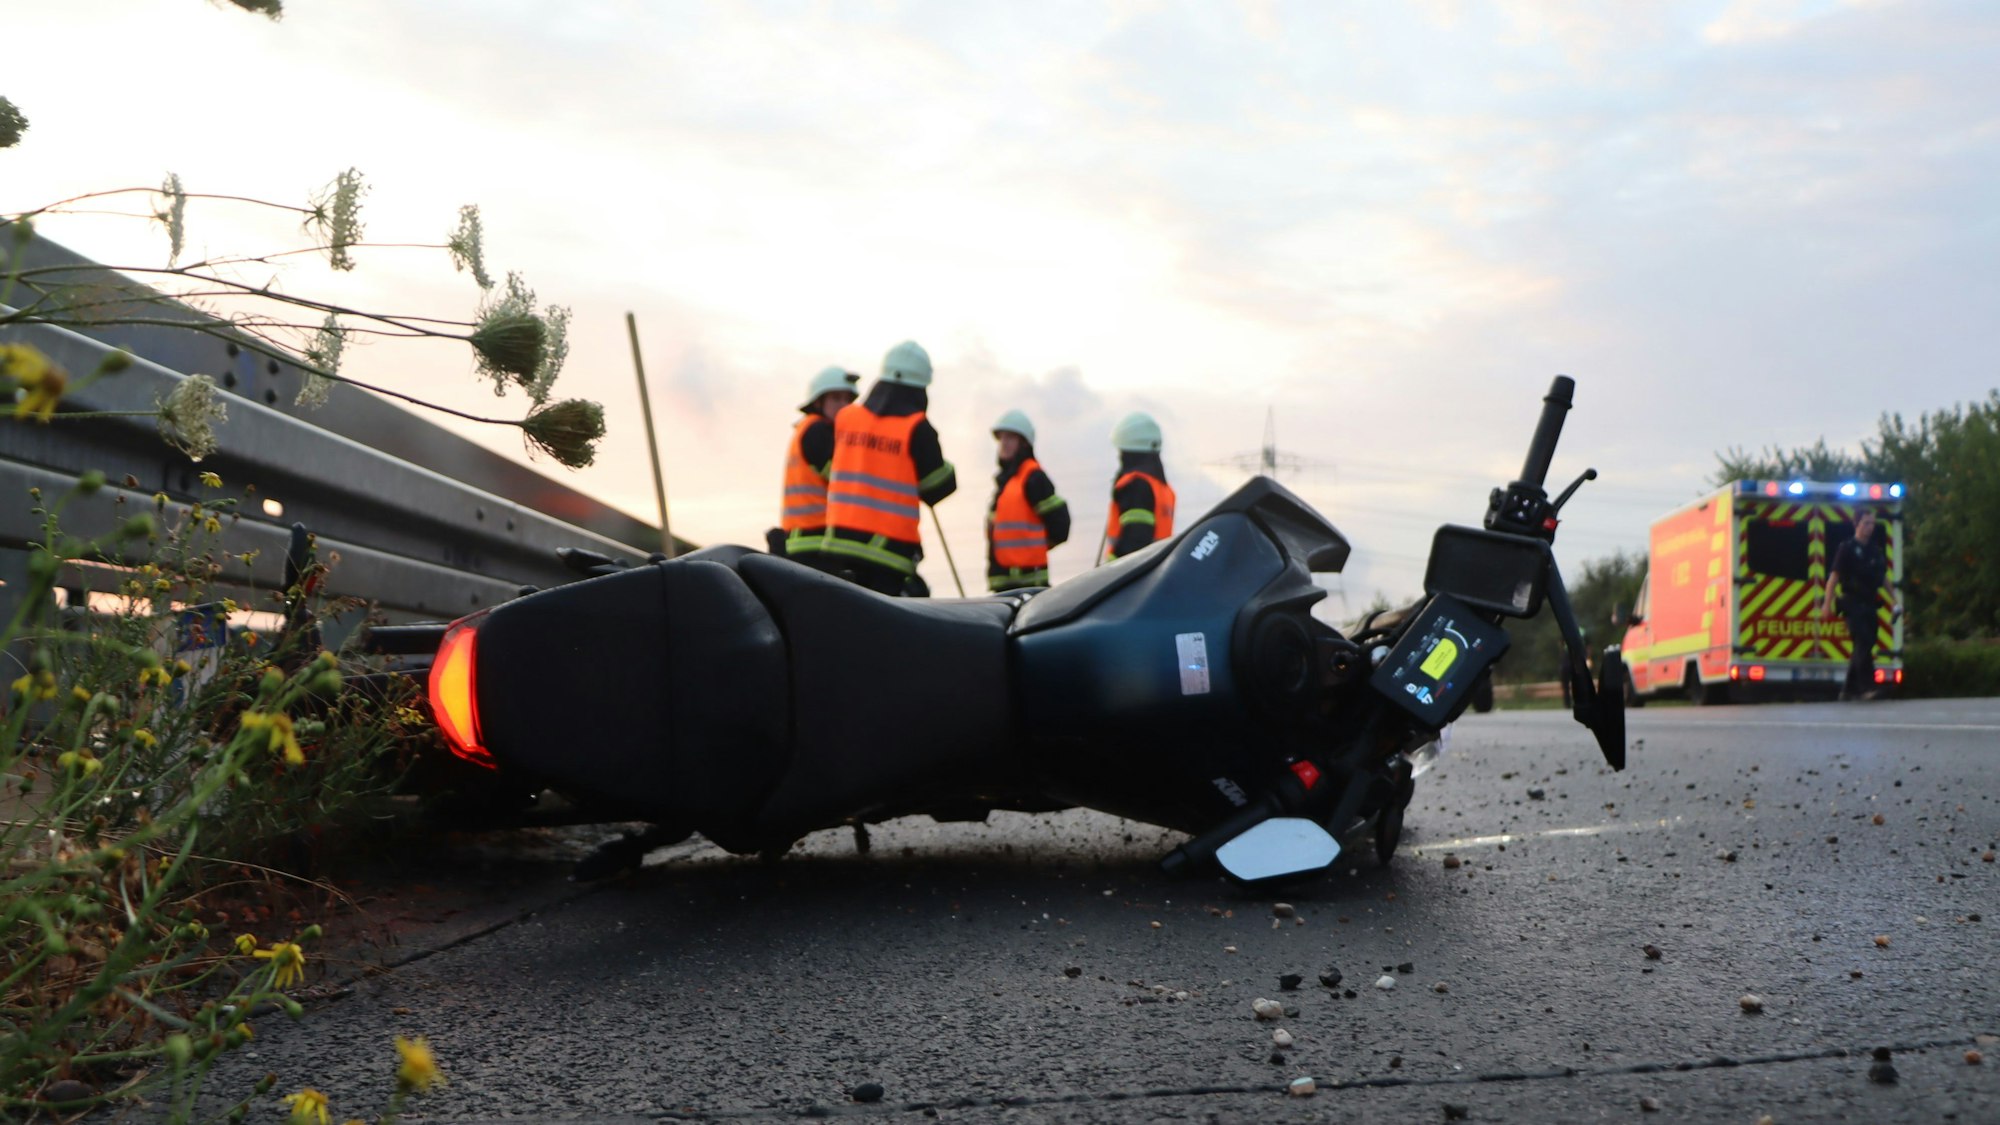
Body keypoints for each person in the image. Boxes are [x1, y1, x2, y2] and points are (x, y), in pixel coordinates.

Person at [823, 340, 956, 596]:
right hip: (887, 558)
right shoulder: (917, 428)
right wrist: (944, 466)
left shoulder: (846, 418)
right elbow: (937, 487)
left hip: (837, 551)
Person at [772, 366, 859, 569]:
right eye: (836, 398)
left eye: (848, 399)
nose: (844, 405)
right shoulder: (818, 431)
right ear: (818, 402)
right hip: (817, 543)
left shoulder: (806, 429)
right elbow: (844, 480)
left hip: (803, 541)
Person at [985, 410, 1069, 591]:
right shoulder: (1005, 483)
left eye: (1010, 438)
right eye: (1001, 439)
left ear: (1024, 443)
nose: (1004, 444)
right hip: (1002, 586)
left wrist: (1035, 547)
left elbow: (1060, 524)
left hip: (1029, 584)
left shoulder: (1033, 477)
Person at [1820, 508, 1891, 701]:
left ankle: (1848, 690)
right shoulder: (1847, 549)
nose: (1870, 527)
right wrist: (1827, 603)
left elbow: (1882, 578)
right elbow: (1834, 577)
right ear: (1856, 524)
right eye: (1866, 523)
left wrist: (1895, 600)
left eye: (1872, 523)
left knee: (1866, 643)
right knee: (1863, 640)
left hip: (1870, 603)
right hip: (1852, 603)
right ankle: (1866, 687)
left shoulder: (1874, 550)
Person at [1103, 411, 1176, 562]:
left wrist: (1108, 569)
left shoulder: (1136, 484)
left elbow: (1136, 536)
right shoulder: (1161, 487)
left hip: (1129, 573)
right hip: (1151, 570)